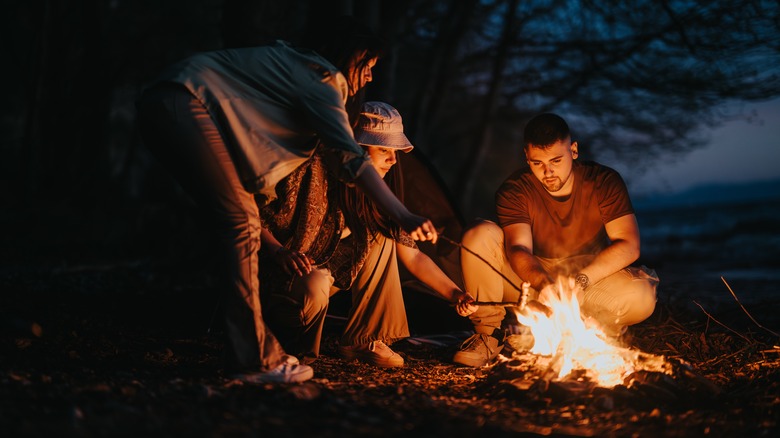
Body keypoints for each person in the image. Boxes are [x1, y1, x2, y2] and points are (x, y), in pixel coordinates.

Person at [135, 17, 439, 383]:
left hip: (167, 99)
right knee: (241, 225)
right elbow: (348, 157)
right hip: (185, 101)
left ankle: (254, 353)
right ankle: (253, 359)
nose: (370, 77)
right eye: (368, 66)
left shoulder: (293, 65)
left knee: (241, 221)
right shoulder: (325, 79)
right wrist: (403, 213)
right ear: (349, 57)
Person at [259, 101, 477, 367]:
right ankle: (290, 356)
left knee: (383, 237)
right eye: (383, 149)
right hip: (285, 277)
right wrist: (277, 250)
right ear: (357, 150)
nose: (393, 159)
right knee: (314, 285)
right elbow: (252, 214)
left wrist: (456, 295)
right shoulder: (312, 170)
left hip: (326, 280)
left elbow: (414, 257)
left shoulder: (380, 199)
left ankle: (364, 339)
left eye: (395, 150)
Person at [453, 113, 658, 368]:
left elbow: (629, 244)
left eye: (556, 160)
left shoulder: (603, 182)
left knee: (641, 296)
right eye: (537, 163)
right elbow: (518, 248)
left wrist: (580, 282)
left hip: (587, 275)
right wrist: (545, 285)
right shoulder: (515, 190)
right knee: (478, 234)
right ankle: (489, 334)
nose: (548, 171)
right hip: (532, 277)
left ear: (573, 150)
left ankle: (584, 331)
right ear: (527, 157)